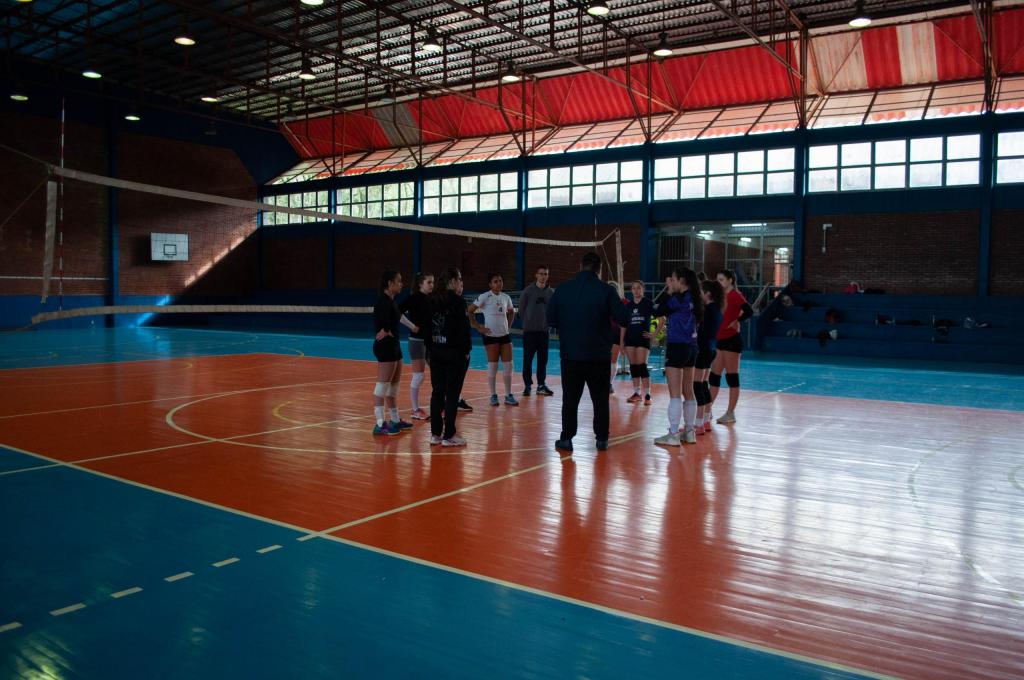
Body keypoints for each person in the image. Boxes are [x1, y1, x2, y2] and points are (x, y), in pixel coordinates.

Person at [547, 253, 631, 453]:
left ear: (580, 266)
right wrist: (620, 303)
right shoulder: (606, 290)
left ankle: (566, 439)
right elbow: (624, 320)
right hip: (598, 355)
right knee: (600, 399)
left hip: (571, 355)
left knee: (570, 399)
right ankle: (601, 439)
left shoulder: (563, 289)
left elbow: (550, 320)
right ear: (599, 269)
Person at [650, 268, 703, 447]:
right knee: (689, 392)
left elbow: (656, 311)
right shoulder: (695, 299)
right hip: (692, 347)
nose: (669, 283)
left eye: (672, 280)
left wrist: (669, 292)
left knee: (674, 394)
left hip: (677, 346)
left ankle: (673, 433)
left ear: (681, 281)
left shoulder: (676, 299)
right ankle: (689, 431)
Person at [426, 268, 472, 447]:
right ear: (452, 282)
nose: (461, 282)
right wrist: (466, 350)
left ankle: (435, 434)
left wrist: (429, 350)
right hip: (454, 354)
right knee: (452, 394)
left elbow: (427, 328)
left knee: (437, 392)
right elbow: (464, 330)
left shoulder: (431, 300)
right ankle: (449, 435)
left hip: (436, 352)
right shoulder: (458, 302)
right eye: (459, 279)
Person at [709, 269, 753, 425]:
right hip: (719, 341)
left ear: (730, 281)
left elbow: (749, 311)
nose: (718, 282)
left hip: (732, 341)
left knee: (732, 378)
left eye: (721, 279)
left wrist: (737, 321)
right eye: (717, 279)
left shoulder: (735, 295)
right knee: (714, 377)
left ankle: (730, 413)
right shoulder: (719, 297)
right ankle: (707, 410)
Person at [372, 269, 413, 436]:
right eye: (398, 281)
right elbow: (382, 323)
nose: (401, 284)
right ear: (389, 284)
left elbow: (395, 319)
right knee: (382, 387)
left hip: (394, 346)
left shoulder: (391, 301)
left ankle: (395, 419)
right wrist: (386, 330)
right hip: (386, 347)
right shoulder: (382, 301)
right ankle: (380, 423)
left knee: (393, 387)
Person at [468, 273, 519, 407]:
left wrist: (508, 326)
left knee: (509, 365)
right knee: (493, 366)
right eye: (495, 281)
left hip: (505, 335)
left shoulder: (506, 297)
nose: (499, 283)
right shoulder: (485, 296)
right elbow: (470, 310)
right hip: (490, 336)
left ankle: (508, 395)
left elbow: (511, 312)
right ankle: (493, 395)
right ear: (490, 284)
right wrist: (478, 327)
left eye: (500, 281)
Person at [399, 272, 434, 421]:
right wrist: (411, 326)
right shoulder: (414, 298)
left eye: (433, 282)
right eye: (429, 282)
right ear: (421, 284)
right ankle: (415, 410)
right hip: (417, 342)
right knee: (419, 375)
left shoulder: (432, 299)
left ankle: (440, 406)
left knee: (438, 373)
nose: (432, 285)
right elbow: (397, 312)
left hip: (430, 341)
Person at [519, 265, 555, 397]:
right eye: (541, 274)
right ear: (536, 275)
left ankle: (541, 385)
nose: (543, 276)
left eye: (545, 274)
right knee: (527, 360)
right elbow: (522, 311)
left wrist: (548, 324)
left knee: (542, 360)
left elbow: (553, 311)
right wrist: (528, 324)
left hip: (544, 333)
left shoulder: (551, 293)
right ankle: (527, 385)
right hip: (529, 333)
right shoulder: (528, 291)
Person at [694, 280, 724, 434]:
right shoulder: (717, 309)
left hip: (703, 349)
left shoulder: (708, 310)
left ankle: (698, 423)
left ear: (708, 293)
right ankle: (706, 421)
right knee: (704, 384)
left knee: (697, 385)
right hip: (711, 349)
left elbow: (701, 333)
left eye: (701, 291)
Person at [623, 280, 655, 405]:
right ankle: (637, 393)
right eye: (634, 288)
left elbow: (662, 318)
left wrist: (654, 334)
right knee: (634, 367)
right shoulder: (628, 306)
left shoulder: (648, 303)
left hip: (643, 339)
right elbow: (624, 325)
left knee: (642, 366)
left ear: (643, 290)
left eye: (639, 288)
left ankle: (647, 395)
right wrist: (621, 342)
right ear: (631, 290)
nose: (636, 291)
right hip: (630, 339)